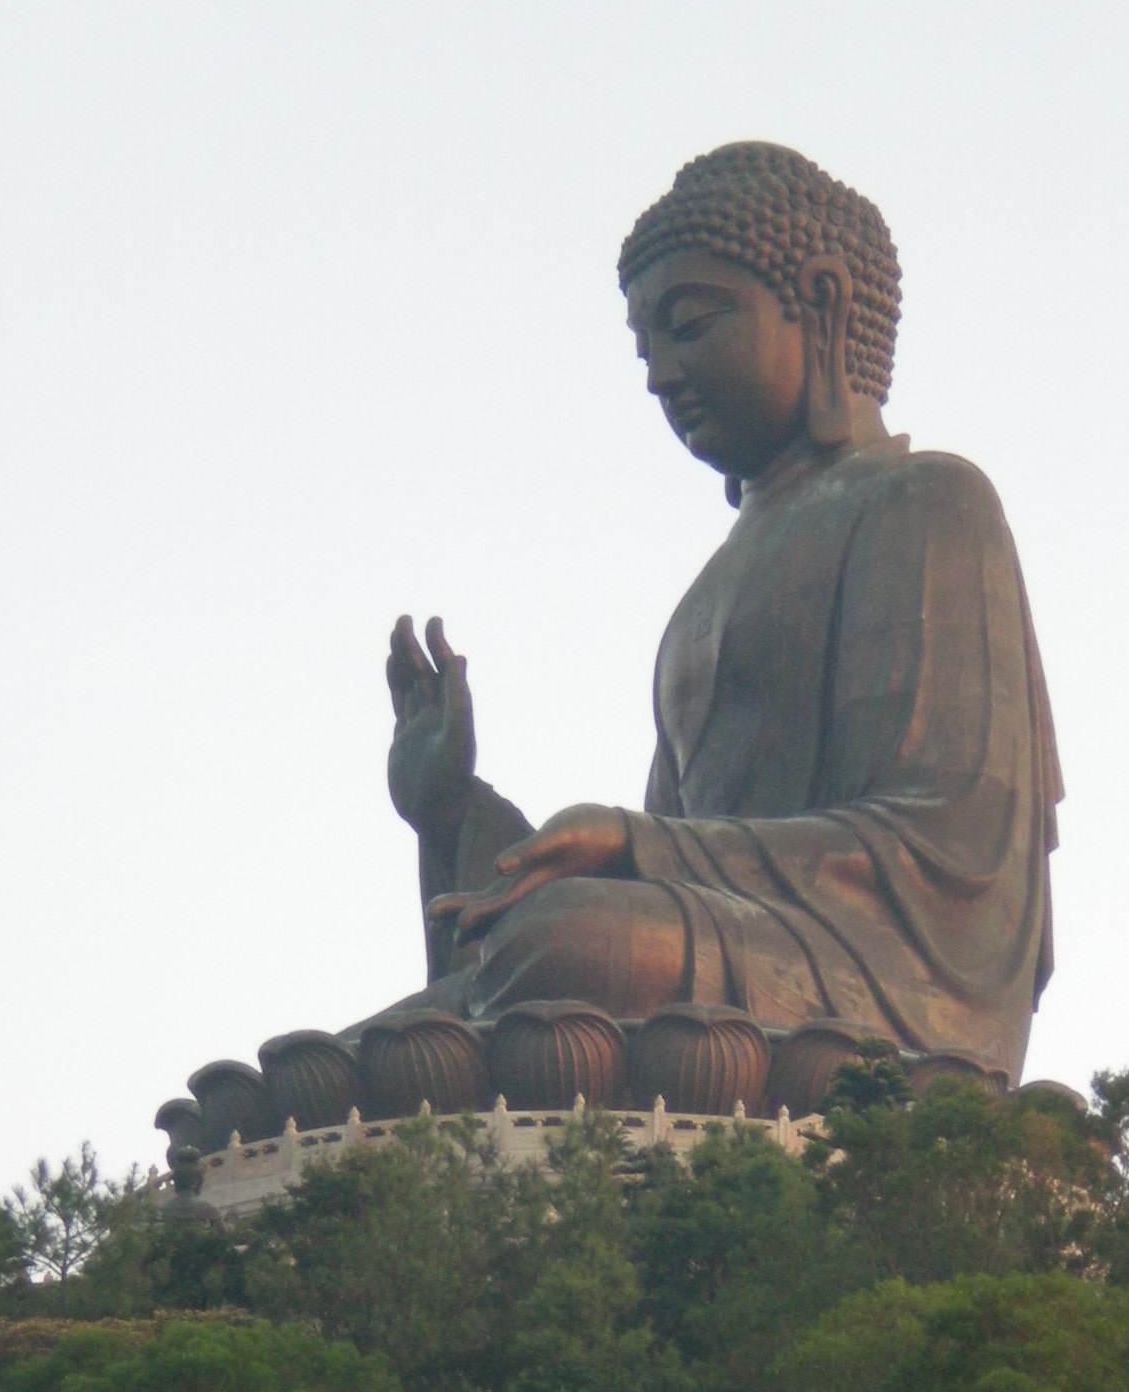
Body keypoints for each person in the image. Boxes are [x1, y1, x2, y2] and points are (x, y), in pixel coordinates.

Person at [377, 140, 1062, 1081]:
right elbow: (674, 861)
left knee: (567, 942)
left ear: (821, 303)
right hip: (728, 960)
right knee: (442, 1006)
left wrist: (636, 843)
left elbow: (944, 850)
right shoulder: (707, 593)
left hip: (879, 990)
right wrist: (454, 811)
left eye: (690, 325)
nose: (660, 373)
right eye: (644, 346)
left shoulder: (928, 503)